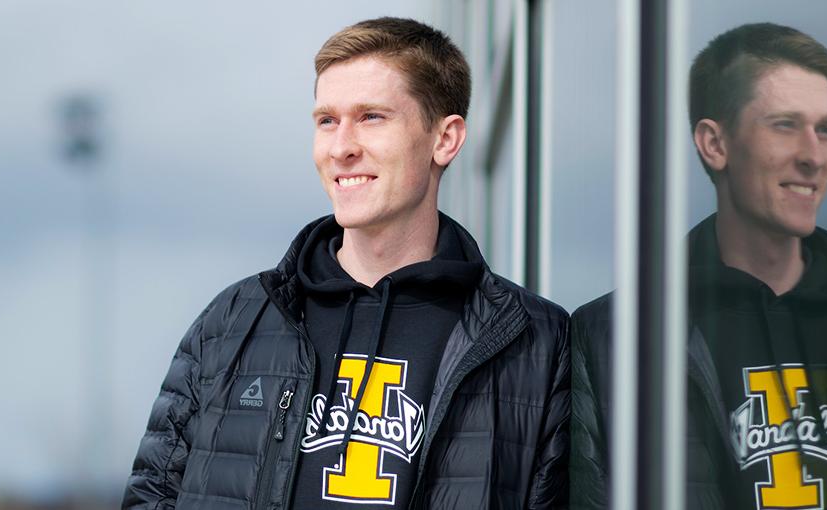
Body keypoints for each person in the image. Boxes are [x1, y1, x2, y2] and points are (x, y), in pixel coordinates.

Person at [123, 17, 570, 509]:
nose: (342, 147)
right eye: (327, 121)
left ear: (445, 140)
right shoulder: (231, 323)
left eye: (372, 117)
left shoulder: (534, 339)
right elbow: (151, 497)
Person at [571, 22, 827, 509]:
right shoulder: (611, 338)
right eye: (785, 125)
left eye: (825, 130)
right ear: (714, 144)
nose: (813, 156)